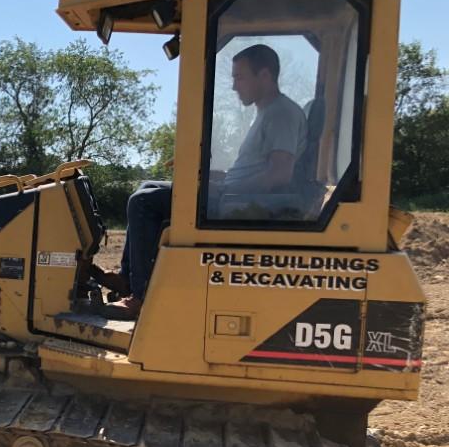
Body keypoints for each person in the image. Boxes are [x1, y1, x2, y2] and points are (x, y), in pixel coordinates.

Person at [110, 43, 306, 319]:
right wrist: (220, 177)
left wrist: (226, 189)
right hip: (233, 192)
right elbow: (258, 168)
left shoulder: (282, 113)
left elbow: (280, 174)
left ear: (264, 75)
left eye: (239, 77)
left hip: (240, 202)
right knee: (146, 187)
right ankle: (128, 280)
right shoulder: (266, 112)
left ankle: (140, 296)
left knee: (142, 202)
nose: (235, 86)